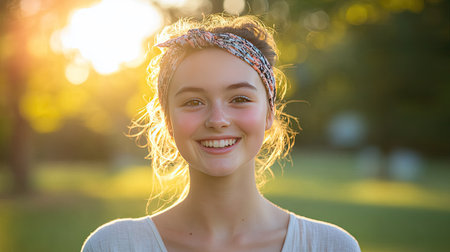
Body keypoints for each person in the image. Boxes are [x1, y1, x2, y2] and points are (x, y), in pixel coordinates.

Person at [81, 14, 361, 252]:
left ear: (269, 113)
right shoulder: (114, 245)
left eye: (239, 99)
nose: (218, 120)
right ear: (167, 120)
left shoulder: (331, 246)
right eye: (193, 102)